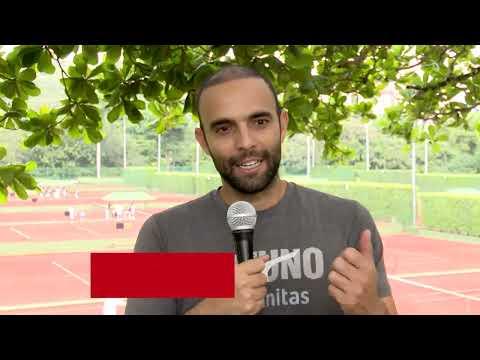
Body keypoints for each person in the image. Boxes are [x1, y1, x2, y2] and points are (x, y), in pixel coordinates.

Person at [125, 65, 398, 315]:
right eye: (223, 128)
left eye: (259, 122)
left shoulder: (349, 220)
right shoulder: (161, 234)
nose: (245, 142)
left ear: (282, 125)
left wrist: (372, 310)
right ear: (203, 141)